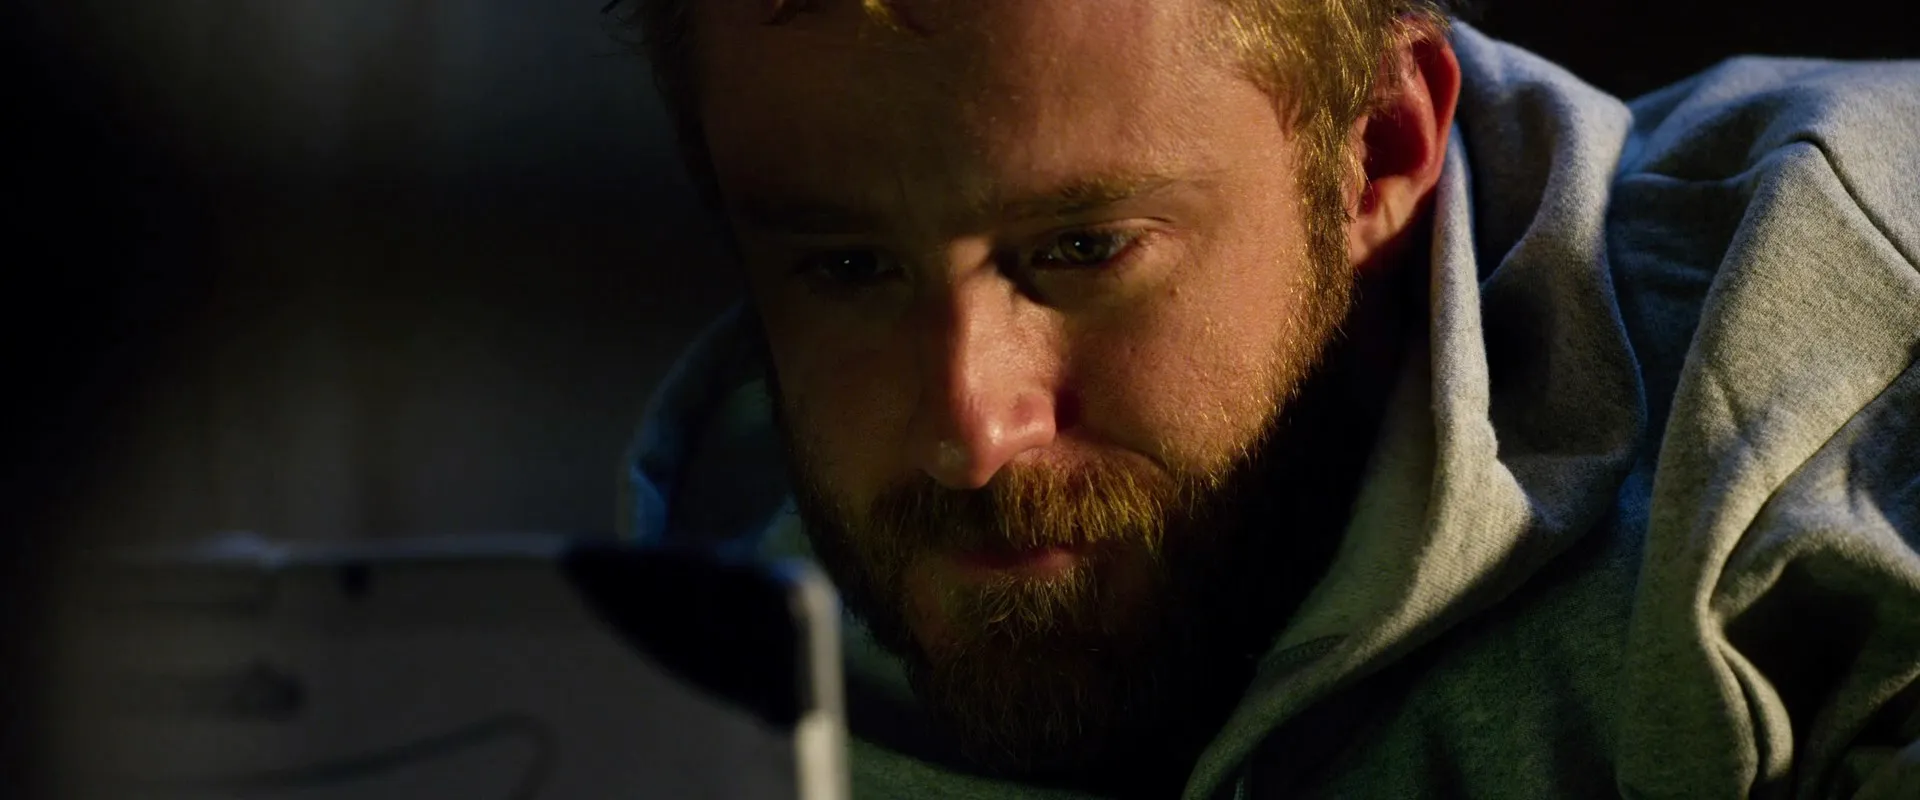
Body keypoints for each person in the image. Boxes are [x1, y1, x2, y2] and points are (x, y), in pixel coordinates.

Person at [617, 1, 1920, 797]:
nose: (972, 430)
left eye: (1082, 248)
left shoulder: (1852, 334)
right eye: (848, 269)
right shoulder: (669, 675)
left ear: (1377, 153)